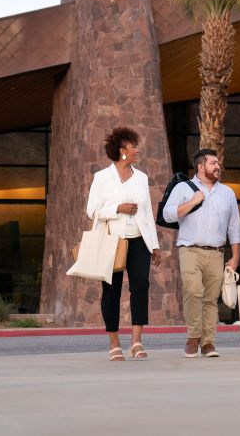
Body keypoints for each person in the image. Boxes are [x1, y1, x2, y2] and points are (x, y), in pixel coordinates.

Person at [86, 127, 162, 361]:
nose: (137, 150)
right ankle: (114, 343)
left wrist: (154, 245)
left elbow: (147, 213)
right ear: (122, 151)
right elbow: (91, 211)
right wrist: (118, 208)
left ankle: (137, 342)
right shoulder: (102, 178)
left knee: (141, 287)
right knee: (111, 291)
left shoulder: (141, 178)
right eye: (133, 147)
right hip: (112, 241)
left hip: (139, 240)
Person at [162, 148, 240, 358]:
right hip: (190, 249)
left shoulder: (227, 193)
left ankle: (208, 343)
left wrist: (235, 256)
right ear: (201, 167)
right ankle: (193, 336)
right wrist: (193, 201)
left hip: (216, 252)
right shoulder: (183, 188)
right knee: (193, 291)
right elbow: (168, 215)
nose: (218, 166)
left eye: (218, 163)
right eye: (213, 163)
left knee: (210, 299)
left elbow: (234, 227)